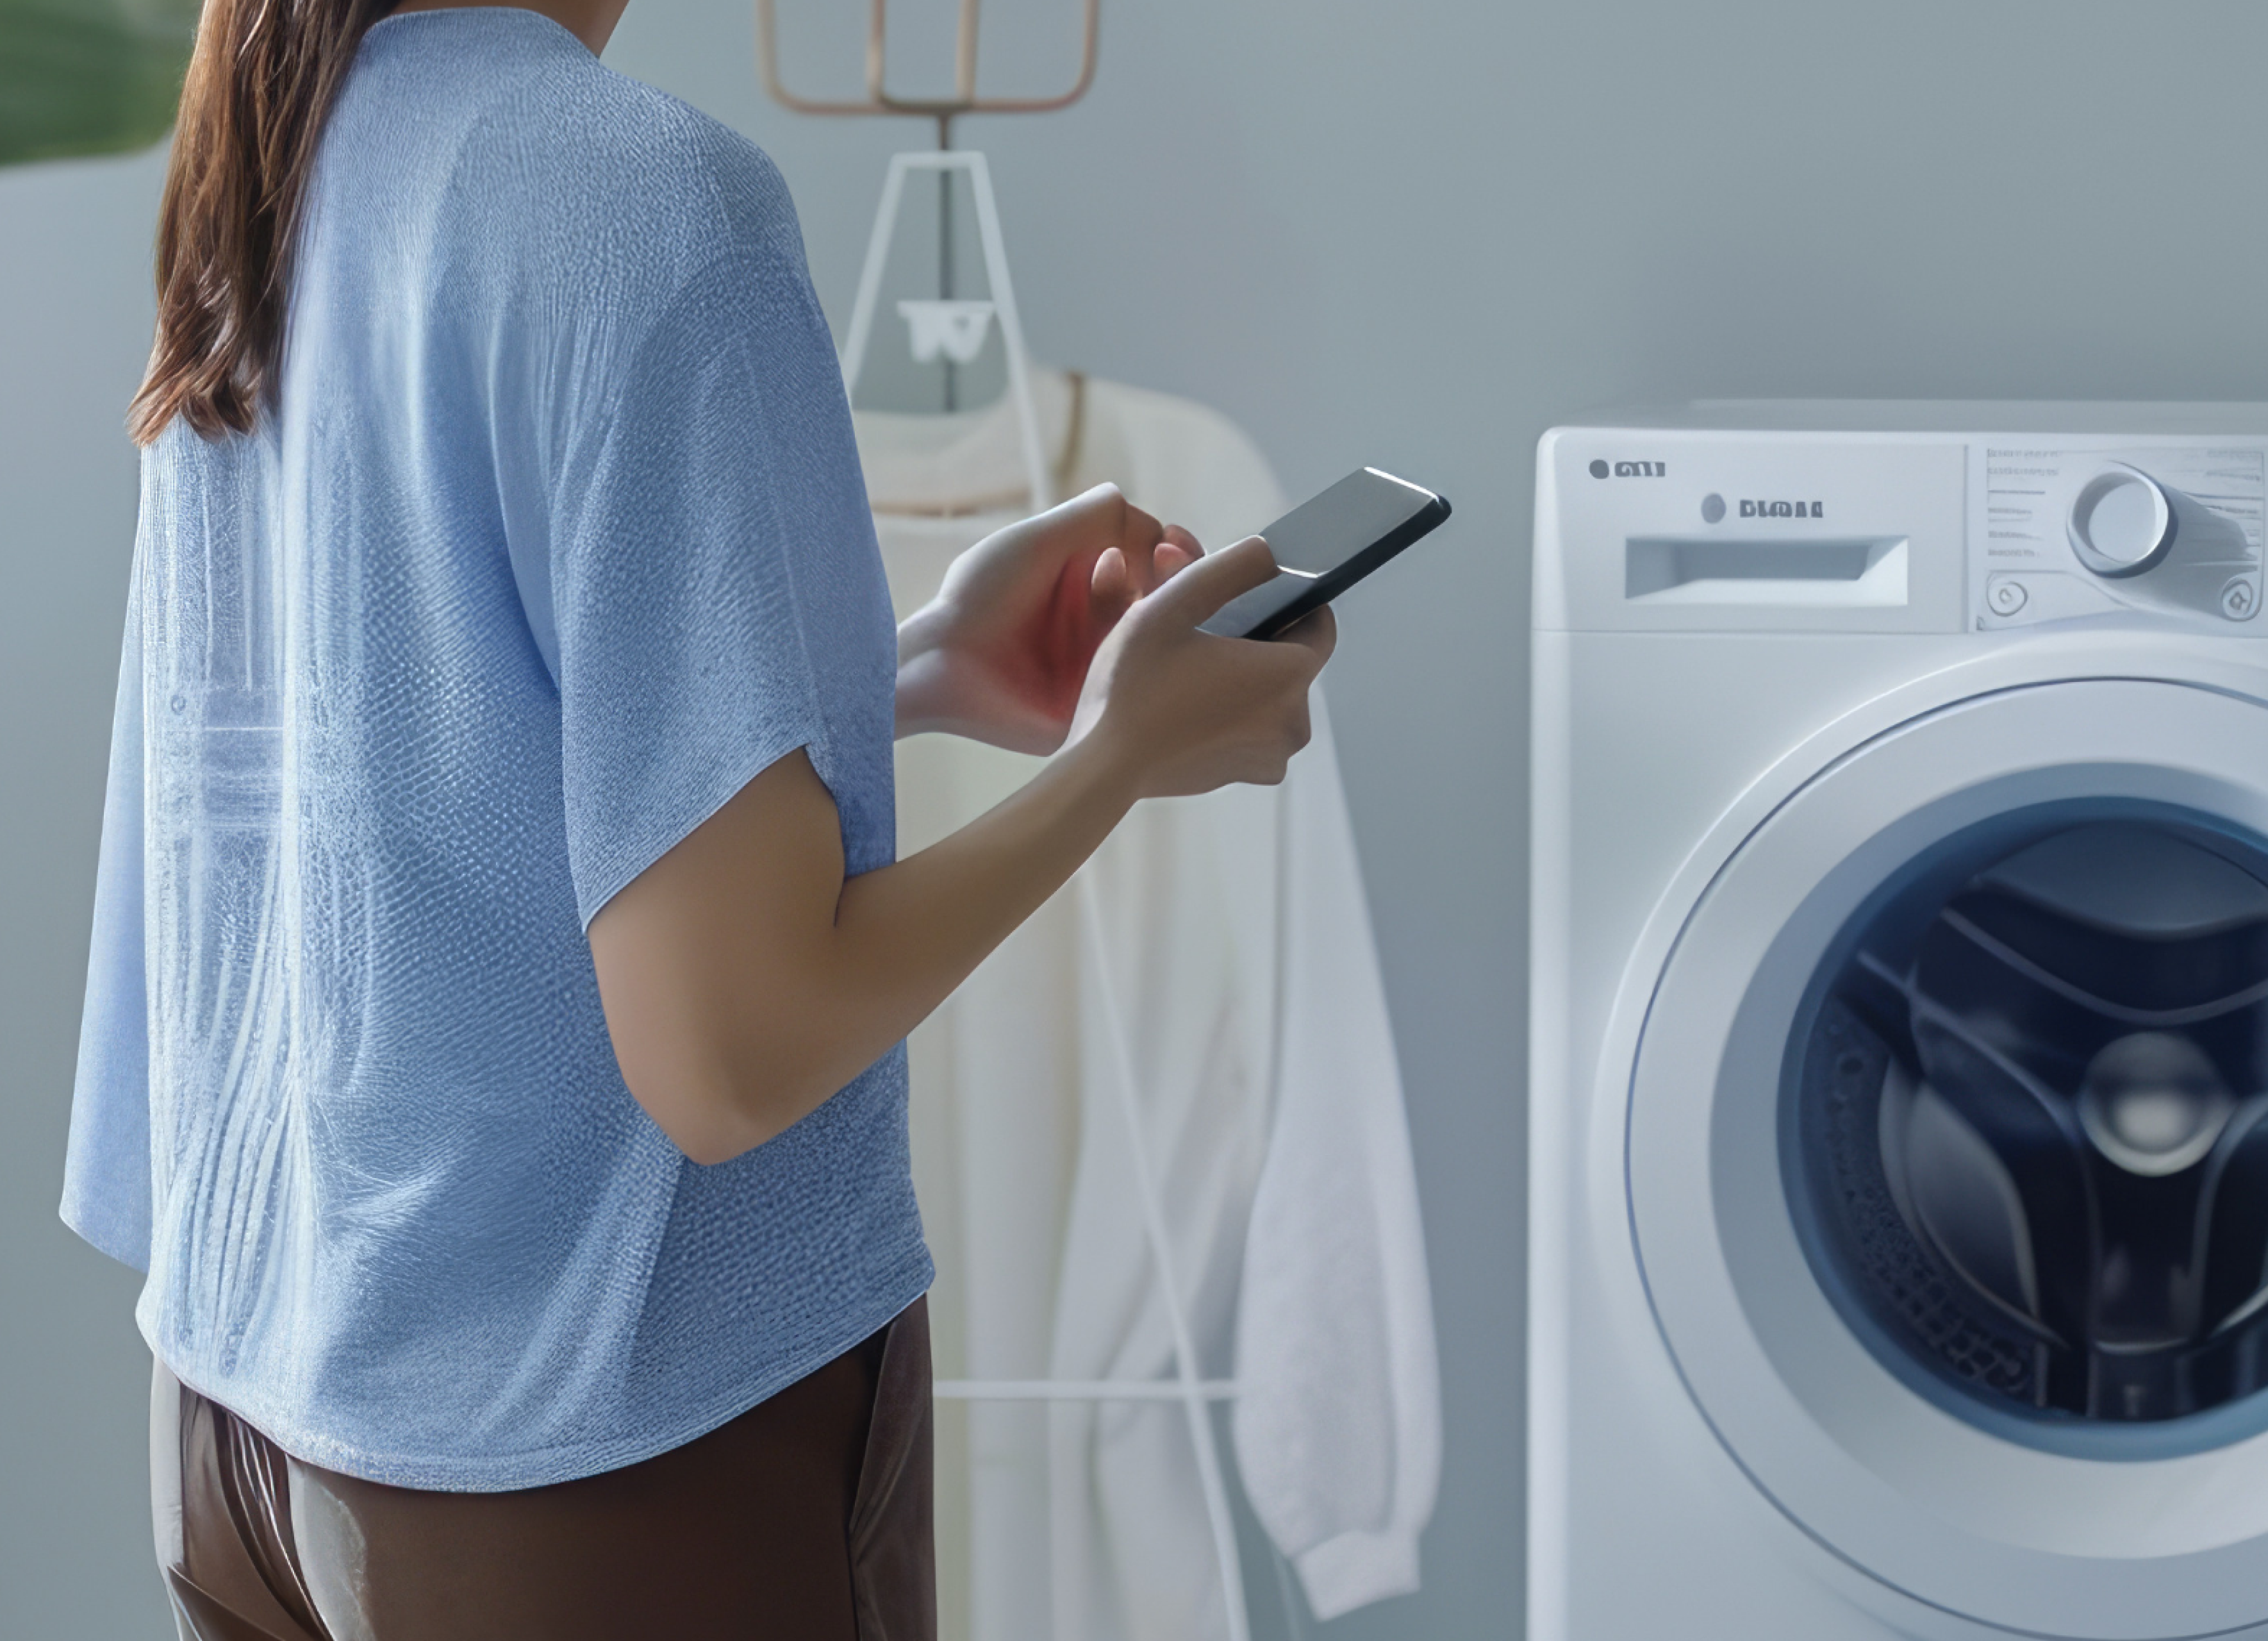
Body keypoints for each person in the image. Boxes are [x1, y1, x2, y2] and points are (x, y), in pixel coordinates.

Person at [60, 0, 1334, 1633]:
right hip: (598, 1447)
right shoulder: (651, 203)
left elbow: (417, 763)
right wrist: (1117, 754)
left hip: (250, 1407)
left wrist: (915, 673)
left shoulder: (278, 144)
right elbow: (734, 1053)